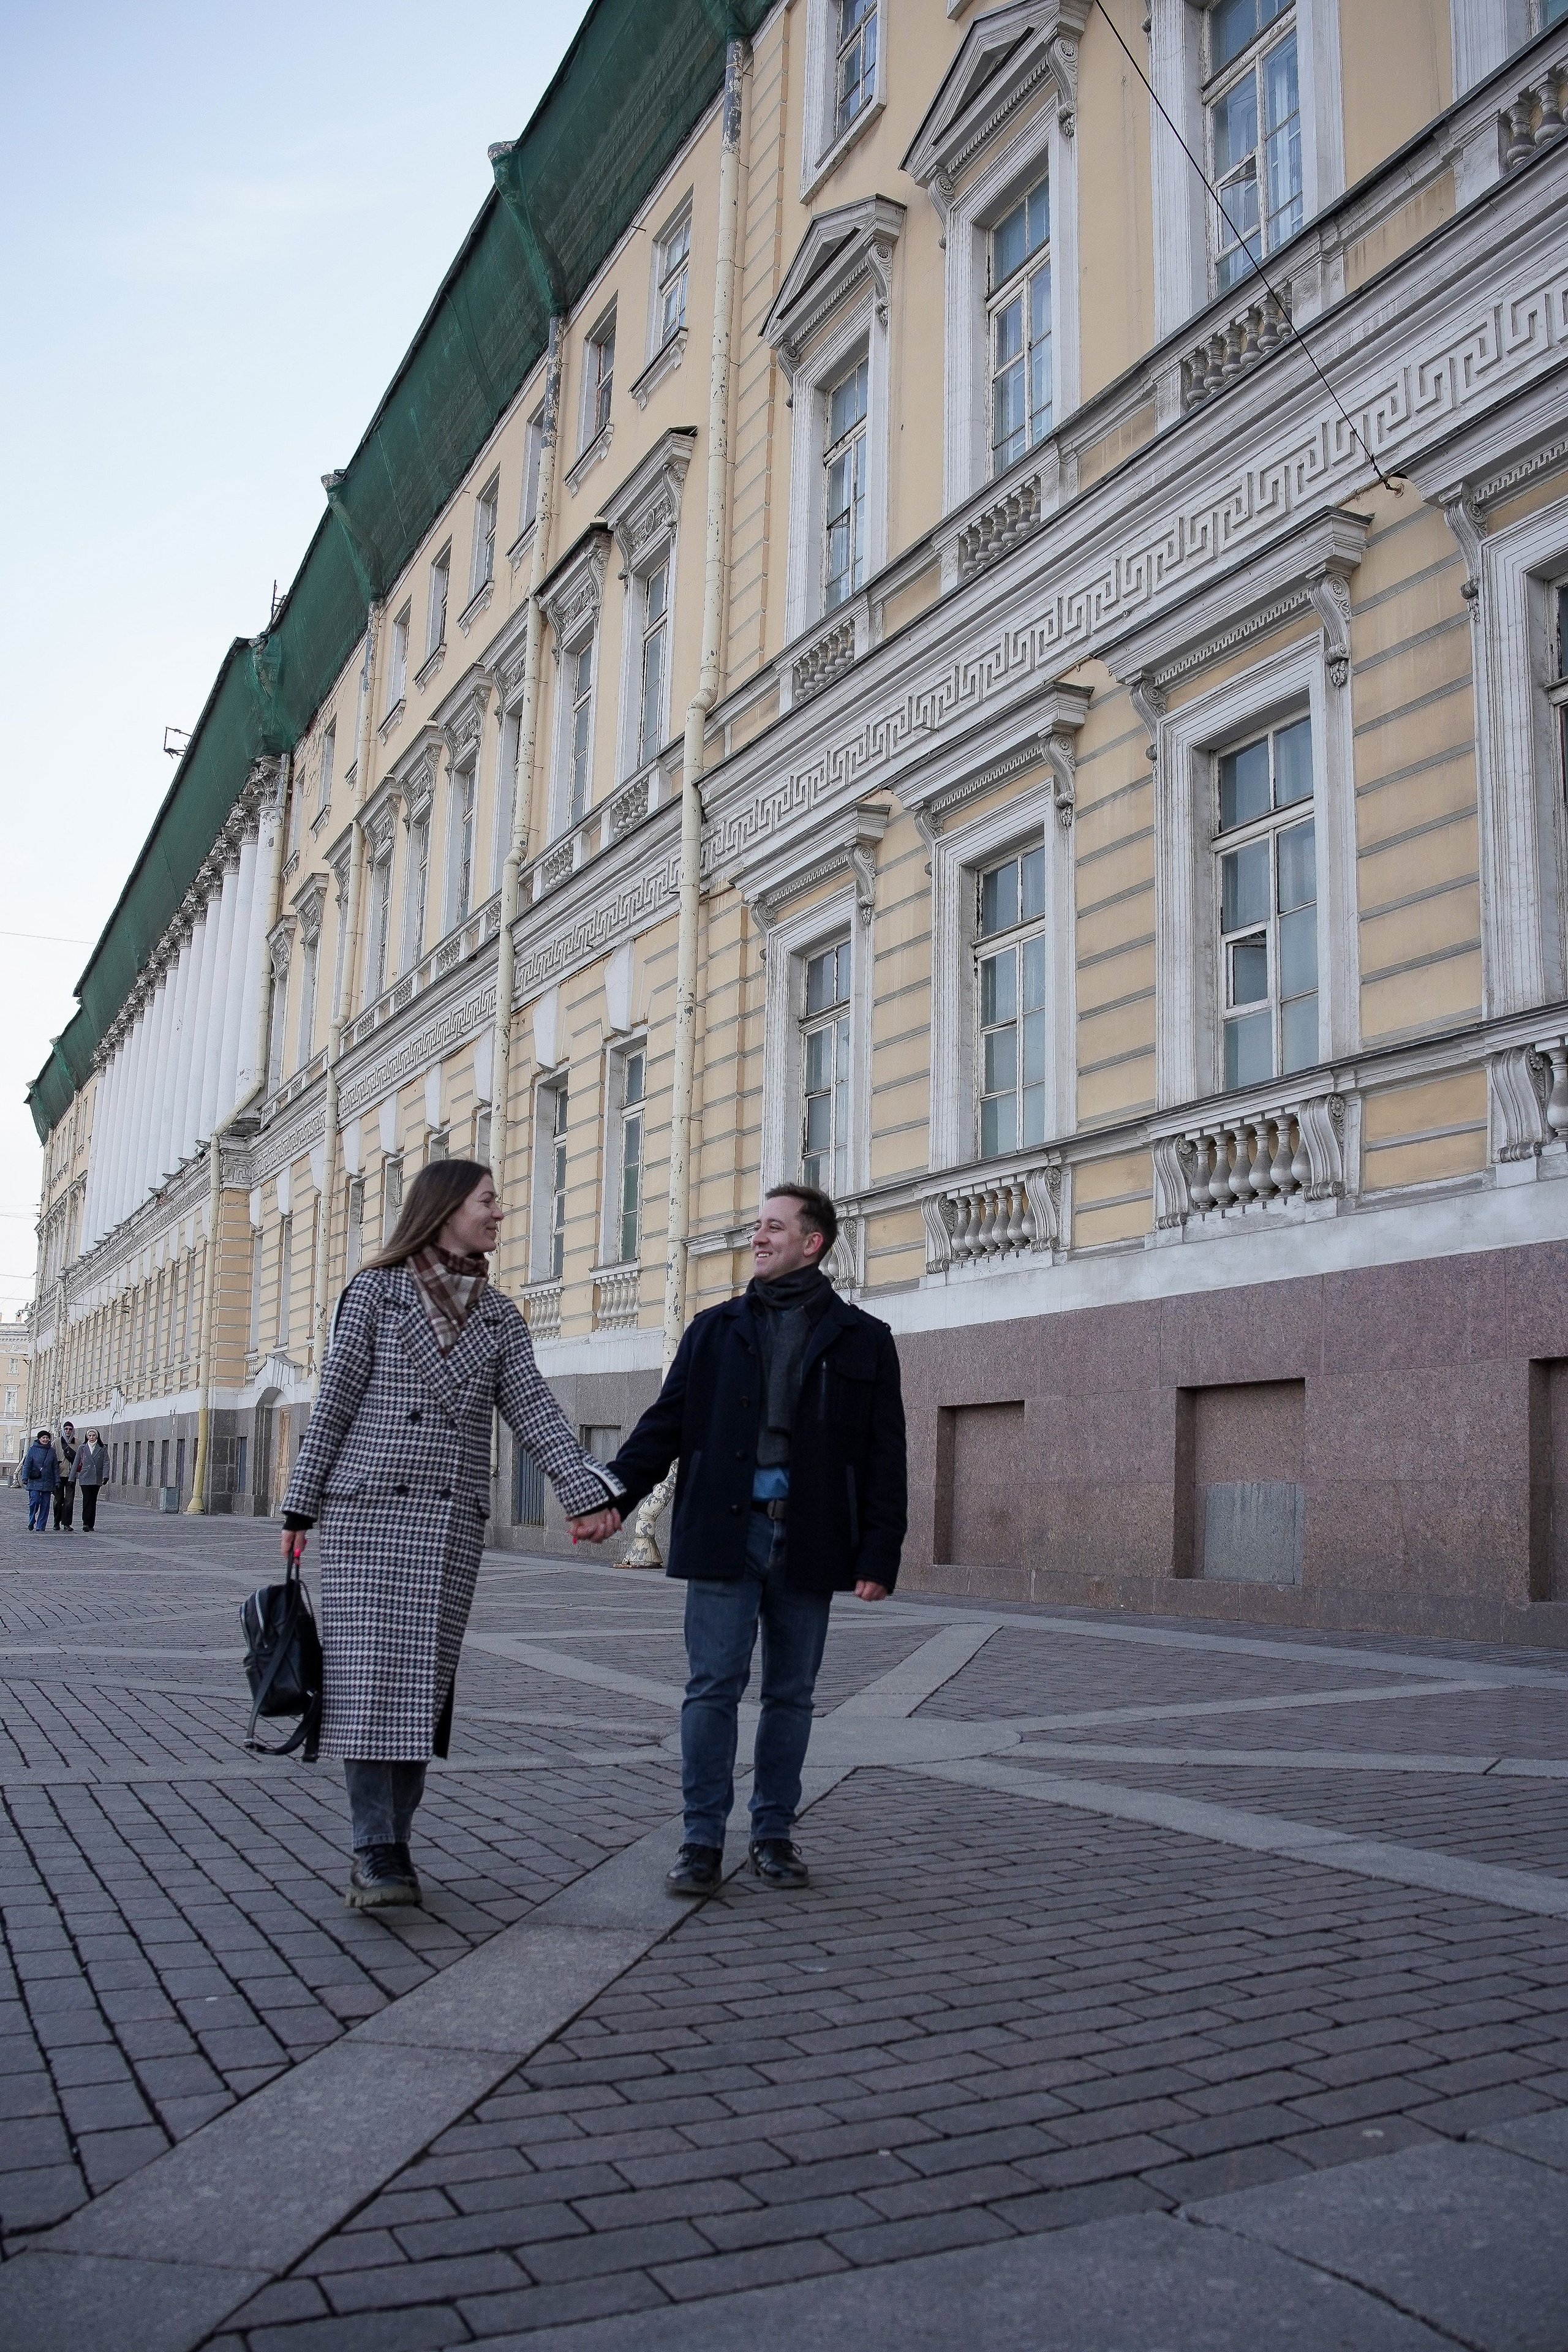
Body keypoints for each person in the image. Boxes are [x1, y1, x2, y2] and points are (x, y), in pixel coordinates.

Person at [281, 1159, 623, 1913]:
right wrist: (299, 1509)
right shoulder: (375, 1291)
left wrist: (583, 1491)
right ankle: (375, 1849)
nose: (500, 1213)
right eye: (488, 1201)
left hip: (445, 1522)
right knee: (371, 1684)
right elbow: (333, 1401)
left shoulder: (500, 1315)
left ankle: (394, 1842)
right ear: (443, 1211)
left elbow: (532, 1410)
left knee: (420, 1689)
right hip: (369, 1514)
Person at [575, 1184, 907, 1896]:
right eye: (756, 1226)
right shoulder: (713, 1329)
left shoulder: (865, 1339)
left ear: (811, 1242)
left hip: (811, 1537)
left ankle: (773, 1834)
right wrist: (611, 1499)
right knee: (711, 1688)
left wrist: (879, 1553)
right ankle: (700, 1840)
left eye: (772, 1227)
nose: (757, 1237)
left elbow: (885, 1455)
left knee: (791, 1695)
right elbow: (662, 1429)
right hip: (726, 1533)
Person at [21, 1430, 58, 1533]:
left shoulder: (52, 1451)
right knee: (35, 1501)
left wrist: (57, 1481)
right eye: (43, 1438)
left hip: (48, 1481)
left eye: (47, 1438)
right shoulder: (32, 1450)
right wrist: (25, 1477)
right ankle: (32, 1519)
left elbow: (55, 1467)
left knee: (46, 1505)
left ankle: (41, 1526)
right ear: (39, 1439)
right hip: (35, 1480)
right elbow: (27, 1465)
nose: (46, 1439)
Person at [74, 1431, 107, 1531]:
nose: (92, 1437)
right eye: (90, 1436)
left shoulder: (102, 1448)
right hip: (85, 1477)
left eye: (94, 1435)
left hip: (97, 1477)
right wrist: (72, 1478)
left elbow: (106, 1462)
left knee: (93, 1500)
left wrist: (106, 1476)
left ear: (97, 1437)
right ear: (87, 1437)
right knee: (87, 1500)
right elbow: (76, 1462)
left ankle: (91, 1524)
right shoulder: (82, 1447)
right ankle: (85, 1523)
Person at [53, 1419, 78, 1530]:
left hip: (71, 1475)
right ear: (63, 1430)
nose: (68, 1431)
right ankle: (56, 1522)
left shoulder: (78, 1443)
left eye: (70, 1429)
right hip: (59, 1475)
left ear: (73, 1431)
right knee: (58, 1500)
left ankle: (67, 1524)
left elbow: (81, 1459)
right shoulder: (56, 1443)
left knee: (69, 1500)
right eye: (66, 1429)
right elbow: (52, 1458)